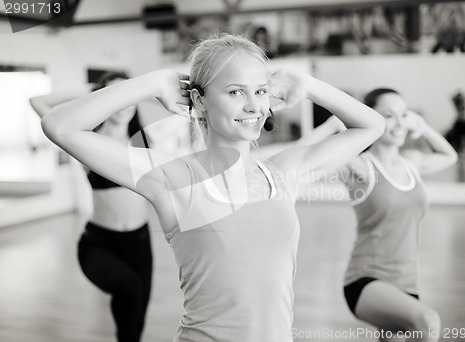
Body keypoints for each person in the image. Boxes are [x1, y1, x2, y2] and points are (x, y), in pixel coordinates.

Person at [40, 33, 385, 341]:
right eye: (236, 91)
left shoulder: (282, 174)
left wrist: (306, 84)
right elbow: (60, 126)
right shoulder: (173, 179)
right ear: (200, 100)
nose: (253, 106)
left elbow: (371, 125)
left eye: (260, 91)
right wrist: (154, 82)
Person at [316, 88, 456, 341]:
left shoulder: (412, 162)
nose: (400, 123)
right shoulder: (359, 167)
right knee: (428, 321)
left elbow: (450, 155)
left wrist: (421, 126)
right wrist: (333, 125)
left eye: (404, 114)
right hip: (366, 280)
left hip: (408, 285)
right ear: (373, 119)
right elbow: (309, 154)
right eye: (389, 115)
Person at [30, 72, 153, 342]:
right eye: (114, 98)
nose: (123, 106)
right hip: (100, 245)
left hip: (140, 244)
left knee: (134, 325)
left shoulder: (143, 140)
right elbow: (38, 102)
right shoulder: (86, 139)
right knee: (129, 290)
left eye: (127, 97)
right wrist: (91, 90)